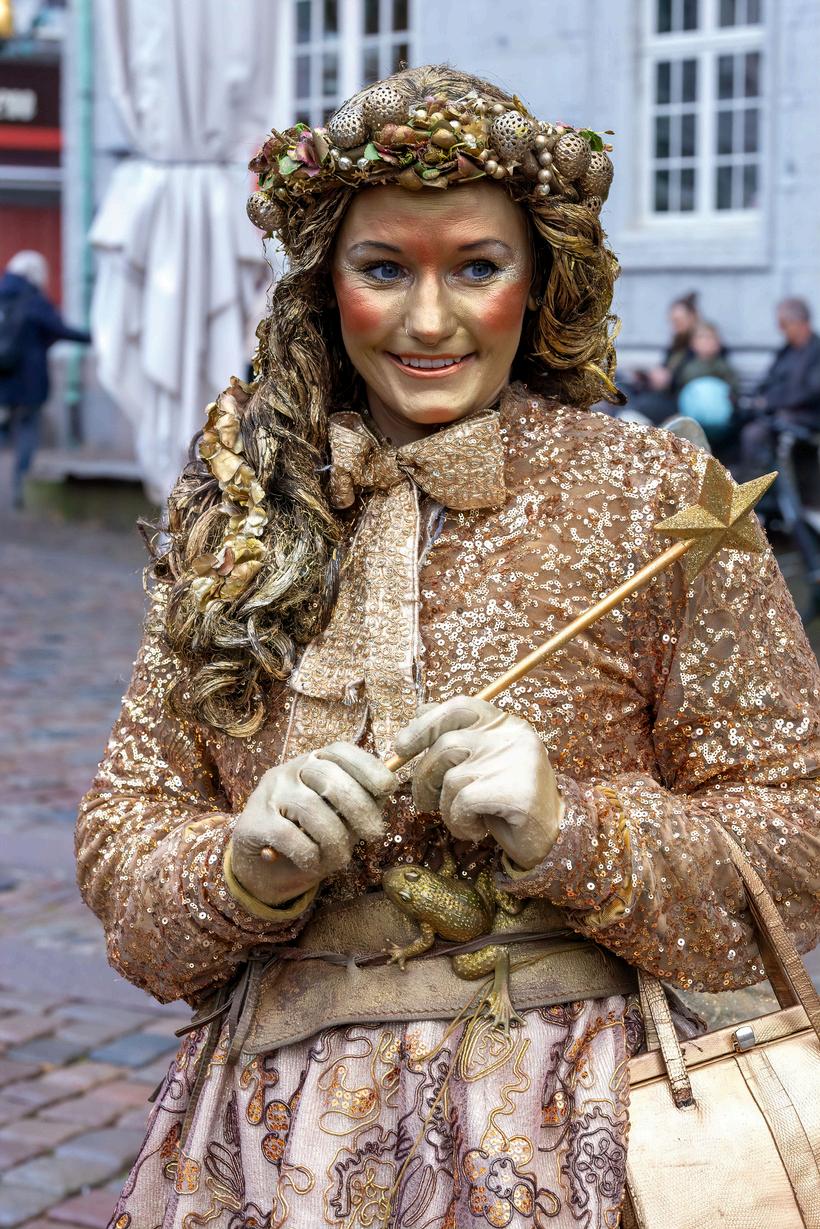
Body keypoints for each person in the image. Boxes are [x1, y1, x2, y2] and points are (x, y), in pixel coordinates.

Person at [75, 66, 820, 1228]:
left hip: (587, 1133)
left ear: (540, 278)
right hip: (277, 1148)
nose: (430, 321)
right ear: (327, 282)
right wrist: (240, 864)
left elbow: (797, 837)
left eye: (475, 266)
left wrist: (571, 825)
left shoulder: (655, 499)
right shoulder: (238, 511)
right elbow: (125, 841)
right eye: (385, 269)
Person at [0, 250, 92, 508]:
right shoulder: (34, 300)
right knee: (27, 428)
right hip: (29, 380)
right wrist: (95, 338)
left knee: (5, 428)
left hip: (3, 375)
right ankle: (20, 487)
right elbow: (59, 329)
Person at [738, 297, 820, 480]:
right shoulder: (787, 351)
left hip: (806, 417)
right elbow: (768, 380)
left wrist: (770, 402)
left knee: (754, 435)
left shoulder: (816, 350)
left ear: (799, 322)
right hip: (777, 415)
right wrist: (755, 399)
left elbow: (811, 391)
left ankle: (760, 488)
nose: (781, 329)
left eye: (783, 324)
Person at [623, 291, 699, 424]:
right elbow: (663, 371)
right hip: (662, 395)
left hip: (677, 401)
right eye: (672, 321)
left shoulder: (699, 345)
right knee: (622, 388)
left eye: (678, 321)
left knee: (638, 406)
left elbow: (694, 378)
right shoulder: (675, 345)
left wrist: (670, 379)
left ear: (692, 318)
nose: (674, 326)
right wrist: (648, 377)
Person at [675, 320, 739, 448]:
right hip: (693, 417)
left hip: (720, 422)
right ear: (693, 343)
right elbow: (683, 392)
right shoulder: (688, 368)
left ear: (718, 343)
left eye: (710, 338)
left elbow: (733, 390)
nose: (706, 342)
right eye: (701, 338)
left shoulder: (724, 367)